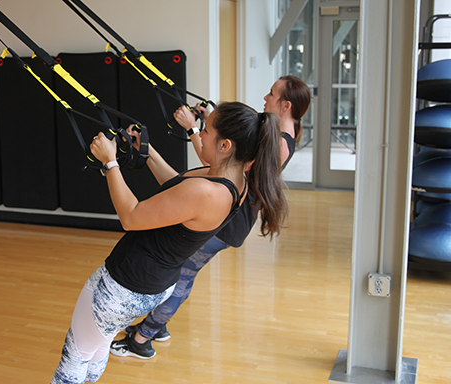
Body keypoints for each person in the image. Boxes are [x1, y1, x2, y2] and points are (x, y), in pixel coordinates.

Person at [51, 101, 288, 384]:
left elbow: (131, 216)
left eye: (207, 131)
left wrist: (110, 163)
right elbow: (177, 187)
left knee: (76, 355)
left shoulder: (208, 192)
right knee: (97, 343)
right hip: (150, 284)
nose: (200, 136)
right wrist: (147, 151)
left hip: (125, 285)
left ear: (225, 145)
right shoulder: (233, 181)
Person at [110, 75, 311, 359]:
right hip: (229, 216)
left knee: (182, 277)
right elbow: (208, 168)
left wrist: (194, 129)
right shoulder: (275, 136)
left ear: (286, 104)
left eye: (272, 94)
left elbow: (217, 165)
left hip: (227, 222)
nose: (266, 98)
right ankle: (155, 327)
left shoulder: (276, 145)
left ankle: (143, 339)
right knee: (183, 275)